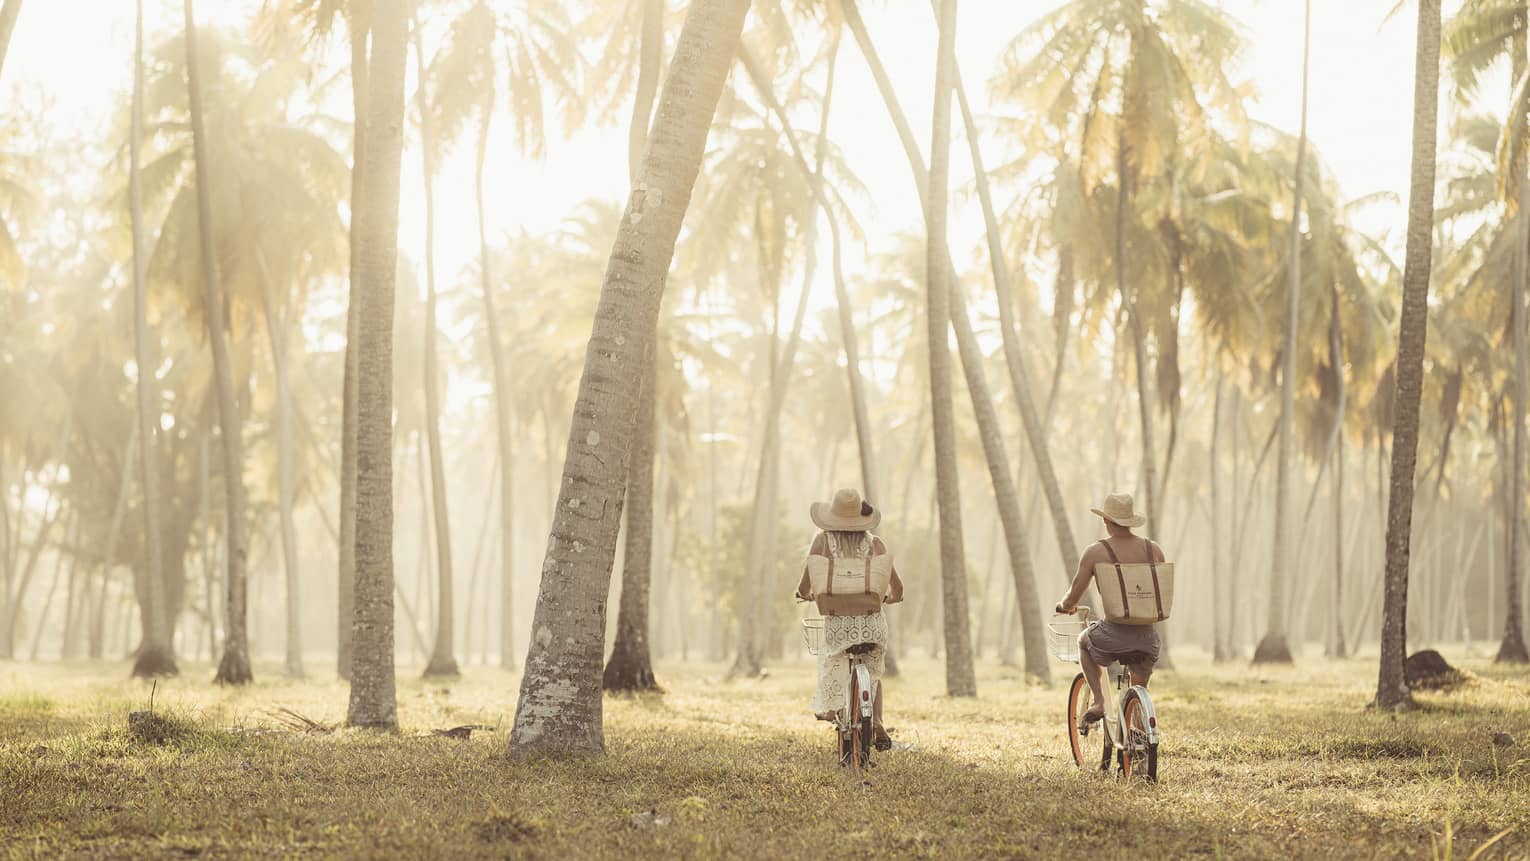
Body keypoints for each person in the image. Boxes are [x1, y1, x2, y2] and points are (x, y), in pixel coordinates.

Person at [794, 488, 903, 751]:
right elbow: (897, 587)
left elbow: (807, 583)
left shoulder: (821, 542)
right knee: (873, 676)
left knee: (832, 659)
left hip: (838, 624)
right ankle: (877, 722)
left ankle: (832, 708)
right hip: (872, 623)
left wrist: (804, 594)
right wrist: (892, 597)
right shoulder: (876, 544)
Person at [1054, 492, 1163, 726]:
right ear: (1131, 520)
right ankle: (1138, 731)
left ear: (1106, 520)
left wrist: (1065, 606)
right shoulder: (1153, 550)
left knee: (1083, 642)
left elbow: (1075, 592)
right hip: (1148, 637)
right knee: (1138, 691)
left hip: (1113, 633)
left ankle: (1099, 701)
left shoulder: (1096, 552)